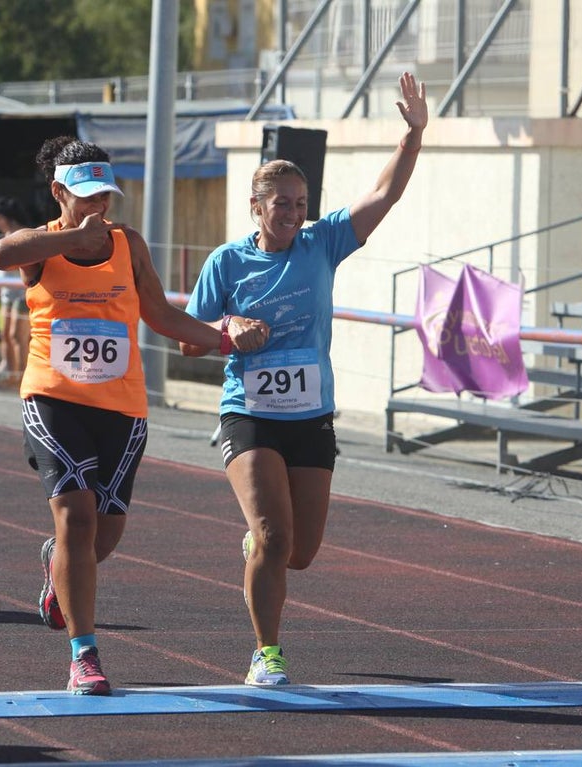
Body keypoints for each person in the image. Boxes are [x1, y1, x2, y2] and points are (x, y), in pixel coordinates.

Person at [0, 136, 268, 696]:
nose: (98, 206)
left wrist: (222, 337)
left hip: (121, 407)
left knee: (103, 535)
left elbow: (160, 313)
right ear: (59, 192)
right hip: (53, 399)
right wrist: (71, 237)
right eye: (86, 196)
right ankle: (84, 655)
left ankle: (58, 568)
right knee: (77, 518)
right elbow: (1, 253)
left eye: (105, 197)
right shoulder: (42, 246)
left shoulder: (128, 243)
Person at [179, 71, 428, 687]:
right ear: (257, 207)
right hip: (250, 415)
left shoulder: (322, 243)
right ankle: (267, 652)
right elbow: (187, 339)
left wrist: (413, 136)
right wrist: (228, 330)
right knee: (272, 535)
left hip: (311, 415)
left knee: (300, 552)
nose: (293, 213)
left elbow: (384, 194)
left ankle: (260, 550)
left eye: (300, 202)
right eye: (281, 203)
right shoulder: (226, 262)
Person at [0, 196, 32, 386]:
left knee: (17, 335)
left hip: (21, 292)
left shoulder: (23, 235)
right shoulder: (6, 236)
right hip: (7, 293)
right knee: (5, 334)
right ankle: (12, 373)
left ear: (1, 217)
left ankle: (22, 375)